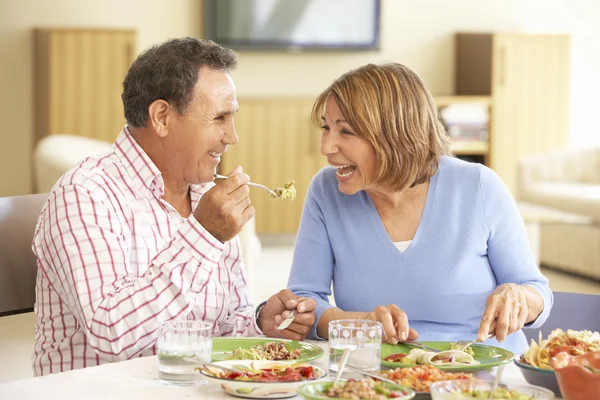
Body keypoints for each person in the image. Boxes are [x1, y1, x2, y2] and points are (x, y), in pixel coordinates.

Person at [31, 37, 315, 376]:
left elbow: (222, 328)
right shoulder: (85, 194)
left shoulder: (206, 195)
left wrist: (259, 322)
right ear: (162, 117)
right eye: (220, 118)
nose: (232, 136)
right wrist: (204, 235)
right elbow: (112, 335)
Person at [287, 63, 552, 354]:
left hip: (481, 372)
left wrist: (519, 298)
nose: (327, 147)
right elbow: (304, 300)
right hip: (375, 376)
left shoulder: (478, 186)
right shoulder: (326, 191)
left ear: (396, 135)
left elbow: (537, 292)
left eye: (346, 131)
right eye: (326, 127)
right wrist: (360, 323)